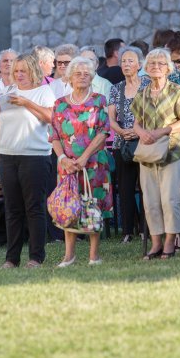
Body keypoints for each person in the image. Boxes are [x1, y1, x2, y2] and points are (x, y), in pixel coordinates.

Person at [0, 54, 55, 268]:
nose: (19, 75)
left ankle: (36, 257)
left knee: (34, 207)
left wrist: (26, 102)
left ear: (34, 71)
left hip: (35, 156)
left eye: (23, 71)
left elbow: (50, 117)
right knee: (12, 208)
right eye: (16, 71)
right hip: (7, 155)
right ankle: (11, 258)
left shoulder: (44, 91)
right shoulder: (8, 91)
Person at [50, 57, 112, 266]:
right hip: (67, 165)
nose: (82, 77)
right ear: (69, 77)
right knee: (70, 206)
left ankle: (93, 255)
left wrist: (85, 157)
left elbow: (104, 131)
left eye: (87, 73)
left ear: (92, 77)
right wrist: (63, 159)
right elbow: (55, 136)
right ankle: (69, 255)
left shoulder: (99, 100)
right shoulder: (60, 104)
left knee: (92, 205)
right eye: (78, 73)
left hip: (94, 164)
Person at [131, 48, 180, 260]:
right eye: (152, 63)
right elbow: (136, 123)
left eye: (160, 63)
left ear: (168, 67)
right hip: (148, 153)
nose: (156, 67)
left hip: (172, 150)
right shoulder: (142, 93)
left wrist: (163, 131)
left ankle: (170, 242)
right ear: (146, 68)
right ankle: (156, 243)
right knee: (150, 200)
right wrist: (142, 134)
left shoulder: (177, 91)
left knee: (169, 198)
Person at [108, 46, 149, 243]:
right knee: (124, 188)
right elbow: (111, 118)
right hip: (121, 143)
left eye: (131, 61)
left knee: (145, 187)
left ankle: (146, 228)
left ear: (140, 65)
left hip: (146, 142)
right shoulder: (116, 88)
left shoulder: (148, 84)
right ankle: (127, 231)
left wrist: (138, 131)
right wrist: (121, 131)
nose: (126, 64)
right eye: (123, 61)